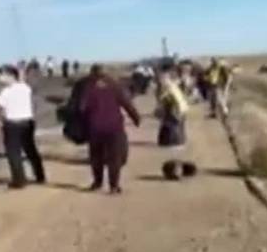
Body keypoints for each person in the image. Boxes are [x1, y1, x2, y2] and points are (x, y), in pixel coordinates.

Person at [0, 66, 46, 189]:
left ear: (11, 76)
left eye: (3, 75)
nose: (0, 78)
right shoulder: (26, 88)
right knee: (31, 150)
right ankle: (40, 176)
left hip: (13, 124)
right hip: (27, 123)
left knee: (13, 153)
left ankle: (19, 180)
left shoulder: (6, 92)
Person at [79, 64, 141, 194]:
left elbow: (81, 108)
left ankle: (97, 183)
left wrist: (82, 125)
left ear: (92, 74)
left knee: (96, 158)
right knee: (115, 158)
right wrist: (136, 119)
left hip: (95, 128)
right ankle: (114, 186)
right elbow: (127, 104)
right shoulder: (115, 86)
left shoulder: (88, 88)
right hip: (114, 127)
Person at [155, 71, 189, 147]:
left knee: (173, 126)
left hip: (176, 110)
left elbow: (178, 101)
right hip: (177, 109)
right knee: (175, 126)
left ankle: (176, 142)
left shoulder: (170, 88)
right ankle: (178, 141)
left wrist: (179, 112)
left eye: (163, 79)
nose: (161, 81)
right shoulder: (170, 87)